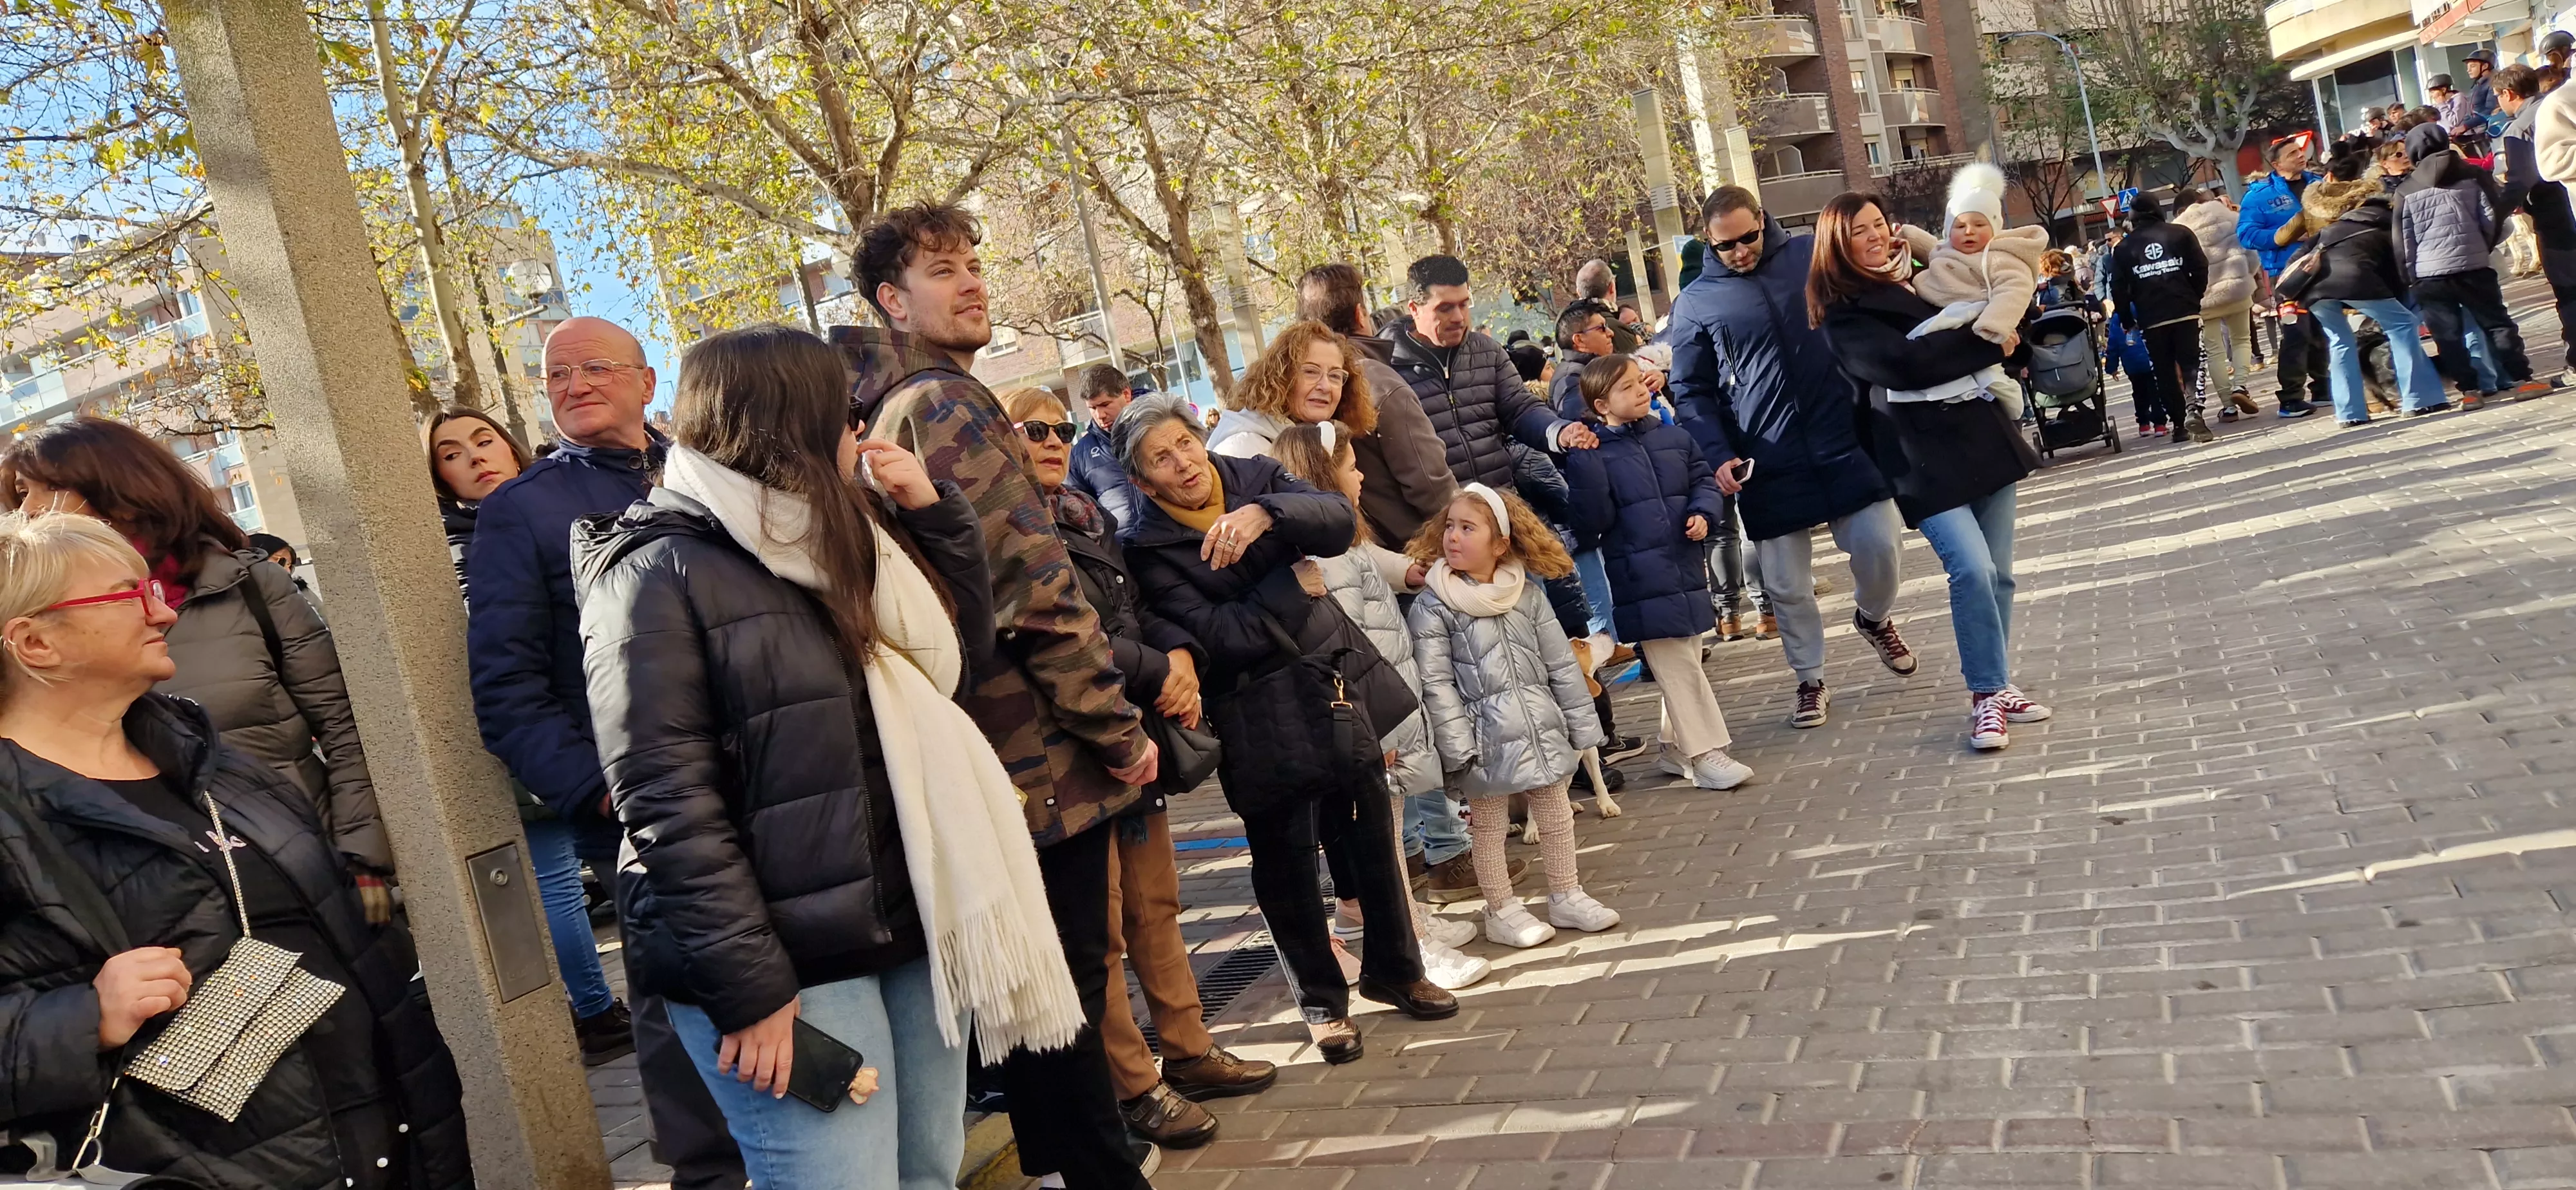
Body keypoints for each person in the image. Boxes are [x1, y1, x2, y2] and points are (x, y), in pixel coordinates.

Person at [578, 324, 1053, 1189]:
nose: (858, 433)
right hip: (781, 964)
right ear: (791, 423)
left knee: (926, 1174)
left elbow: (954, 664)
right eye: (843, 414)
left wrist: (933, 520)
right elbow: (666, 805)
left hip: (900, 920)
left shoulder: (835, 535)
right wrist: (750, 992)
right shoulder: (655, 570)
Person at [833, 203, 1162, 1190]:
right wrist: (1116, 729)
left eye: (975, 263)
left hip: (983, 745)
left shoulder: (893, 405)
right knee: (1062, 988)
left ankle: (1073, 1166)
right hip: (1033, 746)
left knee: (1033, 998)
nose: (972, 282)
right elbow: (1034, 588)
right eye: (943, 270)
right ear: (893, 299)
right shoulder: (942, 403)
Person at [0, 510, 470, 1189]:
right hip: (196, 1170)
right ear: (35, 643)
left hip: (388, 1143)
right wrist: (83, 1021)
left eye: (152, 590)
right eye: (128, 595)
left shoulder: (212, 759)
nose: (161, 612)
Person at [464, 316, 744, 1187]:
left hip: (760, 777)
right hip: (636, 810)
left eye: (594, 367)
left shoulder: (710, 469)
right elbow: (505, 690)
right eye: (556, 374)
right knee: (680, 1008)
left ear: (647, 378)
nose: (574, 384)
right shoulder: (522, 510)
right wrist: (599, 793)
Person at [1117, 395, 1456, 1064]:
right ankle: (1322, 1006)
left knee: (1367, 834)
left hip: (1329, 679)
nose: (1181, 463)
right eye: (1161, 458)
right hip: (1252, 707)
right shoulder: (1146, 547)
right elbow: (1216, 637)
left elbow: (1333, 523)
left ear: (1201, 438)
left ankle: (1396, 970)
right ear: (1141, 481)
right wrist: (1288, 587)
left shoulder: (1253, 480)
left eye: (1184, 444)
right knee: (1284, 864)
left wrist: (1267, 512)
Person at [999, 386, 1280, 1148]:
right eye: (1034, 429)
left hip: (1132, 734)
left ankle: (1188, 1051)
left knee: (1155, 906)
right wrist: (1159, 666)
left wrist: (1178, 656)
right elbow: (1060, 633)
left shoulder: (1085, 515)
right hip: (1072, 750)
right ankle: (1137, 1084)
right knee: (1105, 928)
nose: (1053, 441)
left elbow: (1131, 607)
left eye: (1061, 428)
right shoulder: (1004, 525)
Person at [3, 419, 394, 900]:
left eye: (52, 487)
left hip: (311, 865)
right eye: (21, 493)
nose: (32, 509)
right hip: (169, 895)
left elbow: (346, 725)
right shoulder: (35, 631)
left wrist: (361, 855)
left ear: (121, 488)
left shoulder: (249, 587)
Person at [421, 404, 634, 1063]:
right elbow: (500, 669)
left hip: (609, 736)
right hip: (543, 752)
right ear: (439, 479)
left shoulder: (569, 502)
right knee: (555, 880)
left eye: (484, 440)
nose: (475, 457)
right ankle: (596, 1010)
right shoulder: (458, 548)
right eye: (452, 453)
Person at [1665, 185, 1917, 731]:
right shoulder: (1697, 301)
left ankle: (1873, 618)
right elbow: (1690, 389)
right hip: (1767, 457)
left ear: (1762, 219)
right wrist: (1718, 455)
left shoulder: (1812, 254)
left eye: (1747, 237)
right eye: (1725, 245)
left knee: (1881, 545)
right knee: (1785, 585)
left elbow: (1877, 293)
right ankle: (1810, 679)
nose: (1740, 252)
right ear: (1709, 241)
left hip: (1845, 436)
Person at [1809, 191, 2054, 751]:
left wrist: (2009, 345)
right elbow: (1907, 365)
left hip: (1983, 436)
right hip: (1918, 458)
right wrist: (1988, 346)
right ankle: (1986, 694)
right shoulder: (1843, 314)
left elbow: (2001, 320)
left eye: (1878, 224)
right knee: (1970, 570)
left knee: (1999, 573)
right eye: (1859, 232)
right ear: (1836, 245)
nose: (1875, 237)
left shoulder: (1927, 275)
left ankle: (2000, 683)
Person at [1268, 420, 1493, 992]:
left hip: (1383, 717)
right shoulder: (1328, 561)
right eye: (1351, 465)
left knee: (1387, 834)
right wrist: (1376, 732)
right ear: (1323, 475)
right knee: (1385, 841)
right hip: (1371, 725)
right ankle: (1410, 947)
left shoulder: (1347, 546)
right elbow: (1342, 650)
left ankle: (1407, 926)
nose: (1362, 474)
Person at [1405, 485, 1620, 947]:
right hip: (1481, 739)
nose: (1453, 537)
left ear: (1501, 543)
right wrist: (1458, 746)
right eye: (1450, 527)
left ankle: (1567, 893)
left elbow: (1561, 665)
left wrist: (1582, 726)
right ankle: (1501, 909)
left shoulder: (1526, 595)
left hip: (1539, 728)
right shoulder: (1433, 605)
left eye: (1468, 528)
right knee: (1489, 827)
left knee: (1556, 811)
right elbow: (1435, 683)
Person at [1559, 354, 1754, 791]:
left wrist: (1703, 513)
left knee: (1685, 655)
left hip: (1684, 565)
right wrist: (1585, 463)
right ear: (1600, 404)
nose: (1640, 390)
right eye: (1625, 387)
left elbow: (1702, 480)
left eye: (1639, 381)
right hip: (1637, 575)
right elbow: (1591, 520)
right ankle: (1706, 754)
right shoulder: (1593, 453)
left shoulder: (1674, 437)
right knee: (1677, 662)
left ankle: (1675, 747)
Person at [1384, 254, 1598, 495]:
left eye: (1464, 304)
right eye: (1445, 308)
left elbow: (1521, 408)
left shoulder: (1487, 351)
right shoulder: (1386, 370)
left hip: (1500, 504)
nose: (1458, 317)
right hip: (1437, 520)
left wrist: (1558, 432)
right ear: (1414, 309)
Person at [1295, 263, 1460, 549]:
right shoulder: (1378, 380)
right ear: (1361, 314)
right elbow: (1430, 484)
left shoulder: (1298, 389)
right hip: (1415, 551)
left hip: (1358, 550)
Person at [2396, 122, 2550, 406]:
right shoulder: (2473, 174)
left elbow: (2404, 238)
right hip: (2475, 265)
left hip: (2429, 275)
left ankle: (2469, 392)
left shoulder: (2407, 188)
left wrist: (2410, 275)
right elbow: (2492, 217)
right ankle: (2523, 381)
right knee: (2497, 324)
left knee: (2448, 336)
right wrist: (2481, 247)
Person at [2301, 171, 2451, 423]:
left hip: (2313, 289)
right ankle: (2421, 399)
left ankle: (2349, 414)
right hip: (2355, 281)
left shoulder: (2332, 229)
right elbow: (2400, 266)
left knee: (2339, 340)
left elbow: (2301, 256)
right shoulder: (2386, 222)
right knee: (2403, 325)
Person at [1899, 162, 2048, 411]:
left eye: (1980, 225)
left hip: (1976, 323)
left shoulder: (1998, 258)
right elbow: (1932, 250)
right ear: (1949, 230)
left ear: (1995, 227)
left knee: (1990, 378)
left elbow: (2013, 290)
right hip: (1944, 316)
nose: (1969, 232)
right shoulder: (1947, 251)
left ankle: (2013, 403)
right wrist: (1907, 235)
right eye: (1960, 226)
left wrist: (1993, 324)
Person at [2237, 139, 2335, 417]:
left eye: (2300, 151)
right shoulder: (2259, 195)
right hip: (2287, 272)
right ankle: (2290, 398)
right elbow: (2246, 235)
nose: (2300, 156)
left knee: (2321, 327)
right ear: (2276, 164)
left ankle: (2324, 388)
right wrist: (2284, 236)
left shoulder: (2318, 184)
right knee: (2296, 331)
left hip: (2323, 264)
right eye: (2292, 154)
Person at [2494, 63, 2576, 388]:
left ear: (2508, 94)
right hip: (2568, 205)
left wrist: (2494, 217)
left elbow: (2521, 180)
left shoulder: (2519, 128)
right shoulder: (2558, 102)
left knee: (2570, 294)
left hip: (2555, 219)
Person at [2110, 192, 2214, 441]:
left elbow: (2118, 288)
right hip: (2184, 311)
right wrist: (2194, 297)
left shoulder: (2123, 248)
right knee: (2192, 363)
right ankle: (2194, 409)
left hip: (2151, 318)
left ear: (2132, 217)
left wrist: (2126, 319)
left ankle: (2179, 425)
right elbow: (2201, 267)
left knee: (2164, 371)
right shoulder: (2180, 234)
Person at [1207, 321, 1379, 462]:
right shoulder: (1243, 450)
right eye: (1311, 372)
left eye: (1335, 376)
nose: (1325, 386)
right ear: (1281, 377)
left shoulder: (1327, 440)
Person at [2170, 191, 2268, 419]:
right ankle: (2240, 386)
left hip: (2204, 298)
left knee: (2215, 352)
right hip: (2237, 290)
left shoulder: (2179, 230)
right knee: (2242, 339)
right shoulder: (2228, 217)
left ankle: (2229, 406)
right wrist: (2247, 276)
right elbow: (2252, 255)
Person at [1066, 364, 1143, 531]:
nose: (1100, 415)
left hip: (1179, 546)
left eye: (1105, 404)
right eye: (1092, 408)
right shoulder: (1080, 455)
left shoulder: (1164, 428)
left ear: (1126, 395)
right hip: (1122, 552)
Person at [1548, 301, 1617, 422]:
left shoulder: (1594, 368)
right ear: (1579, 340)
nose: (1611, 333)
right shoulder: (1570, 381)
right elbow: (1593, 427)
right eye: (1602, 328)